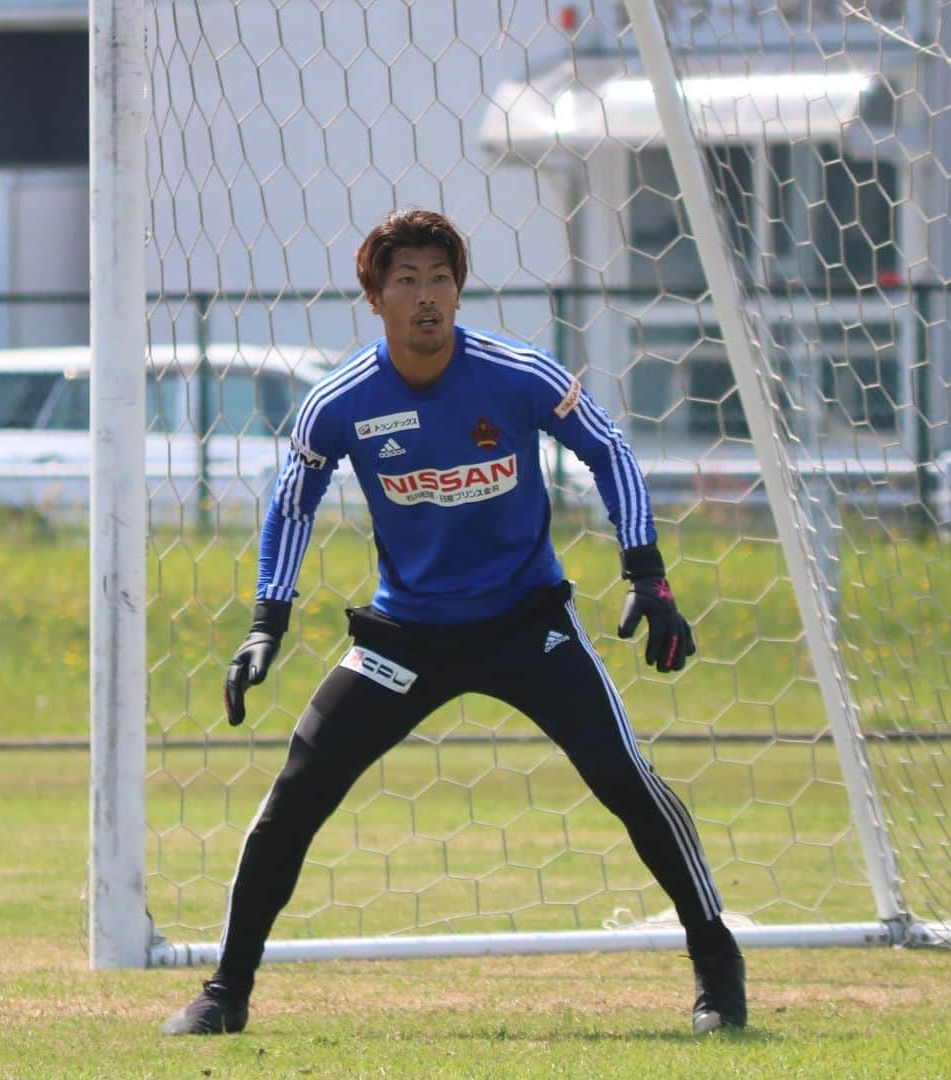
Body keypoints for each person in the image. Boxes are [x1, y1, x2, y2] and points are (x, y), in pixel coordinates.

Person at [161, 208, 746, 1037]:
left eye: (441, 279)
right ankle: (225, 992)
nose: (427, 296)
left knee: (624, 777)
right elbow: (292, 503)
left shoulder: (516, 375)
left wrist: (648, 577)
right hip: (406, 640)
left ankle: (717, 963)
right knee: (296, 793)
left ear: (459, 291)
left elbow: (609, 450)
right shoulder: (342, 401)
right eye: (407, 281)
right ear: (375, 298)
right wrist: (267, 623)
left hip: (526, 626)